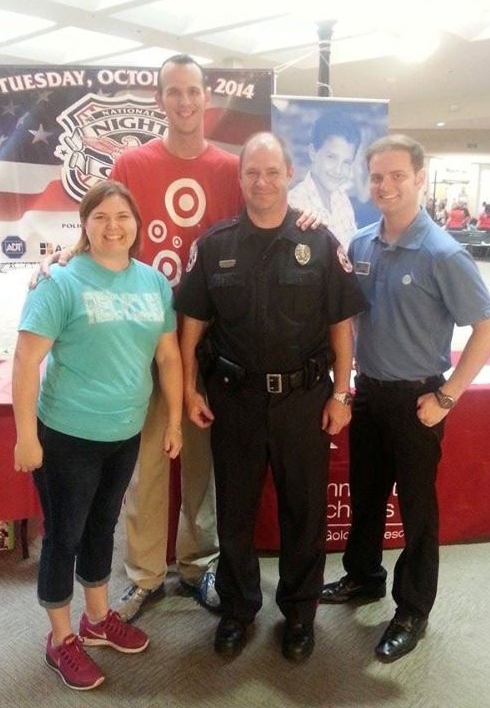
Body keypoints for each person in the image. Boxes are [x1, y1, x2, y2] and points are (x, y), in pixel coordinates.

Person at [33, 54, 316, 622]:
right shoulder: (134, 162)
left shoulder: (230, 167)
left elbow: (264, 212)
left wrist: (303, 217)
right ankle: (143, 576)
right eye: (173, 92)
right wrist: (69, 250)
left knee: (203, 467)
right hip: (142, 339)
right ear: (160, 99)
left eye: (193, 91)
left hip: (210, 344)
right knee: (145, 467)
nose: (184, 102)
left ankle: (197, 565)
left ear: (205, 97)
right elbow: (103, 219)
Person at [175, 132, 367, 662]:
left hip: (304, 401)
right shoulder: (215, 245)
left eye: (271, 172)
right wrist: (190, 387)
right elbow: (191, 324)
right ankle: (238, 609)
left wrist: (341, 394)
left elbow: (341, 327)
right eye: (251, 173)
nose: (261, 182)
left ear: (289, 175)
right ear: (240, 180)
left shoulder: (320, 242)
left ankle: (300, 615)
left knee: (304, 514)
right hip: (233, 400)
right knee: (234, 513)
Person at [321, 135, 490, 662]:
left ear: (420, 178)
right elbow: (348, 319)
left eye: (398, 175)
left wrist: (447, 397)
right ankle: (363, 577)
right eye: (377, 176)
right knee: (367, 495)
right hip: (370, 395)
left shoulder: (443, 253)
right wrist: (347, 381)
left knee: (418, 510)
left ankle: (413, 609)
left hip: (419, 400)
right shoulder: (359, 245)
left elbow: (488, 328)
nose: (386, 185)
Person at [13, 180, 183, 690]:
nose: (114, 226)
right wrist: (26, 435)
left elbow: (168, 356)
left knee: (102, 528)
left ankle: (96, 618)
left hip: (124, 431)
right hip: (66, 433)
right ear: (84, 225)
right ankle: (60, 638)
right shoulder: (61, 281)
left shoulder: (153, 283)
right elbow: (25, 359)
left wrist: (173, 420)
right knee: (63, 537)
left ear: (137, 223)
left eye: (123, 217)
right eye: (101, 217)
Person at [288, 112, 358, 248]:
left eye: (346, 162)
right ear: (313, 152)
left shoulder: (342, 198)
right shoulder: (293, 204)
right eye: (331, 157)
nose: (338, 170)